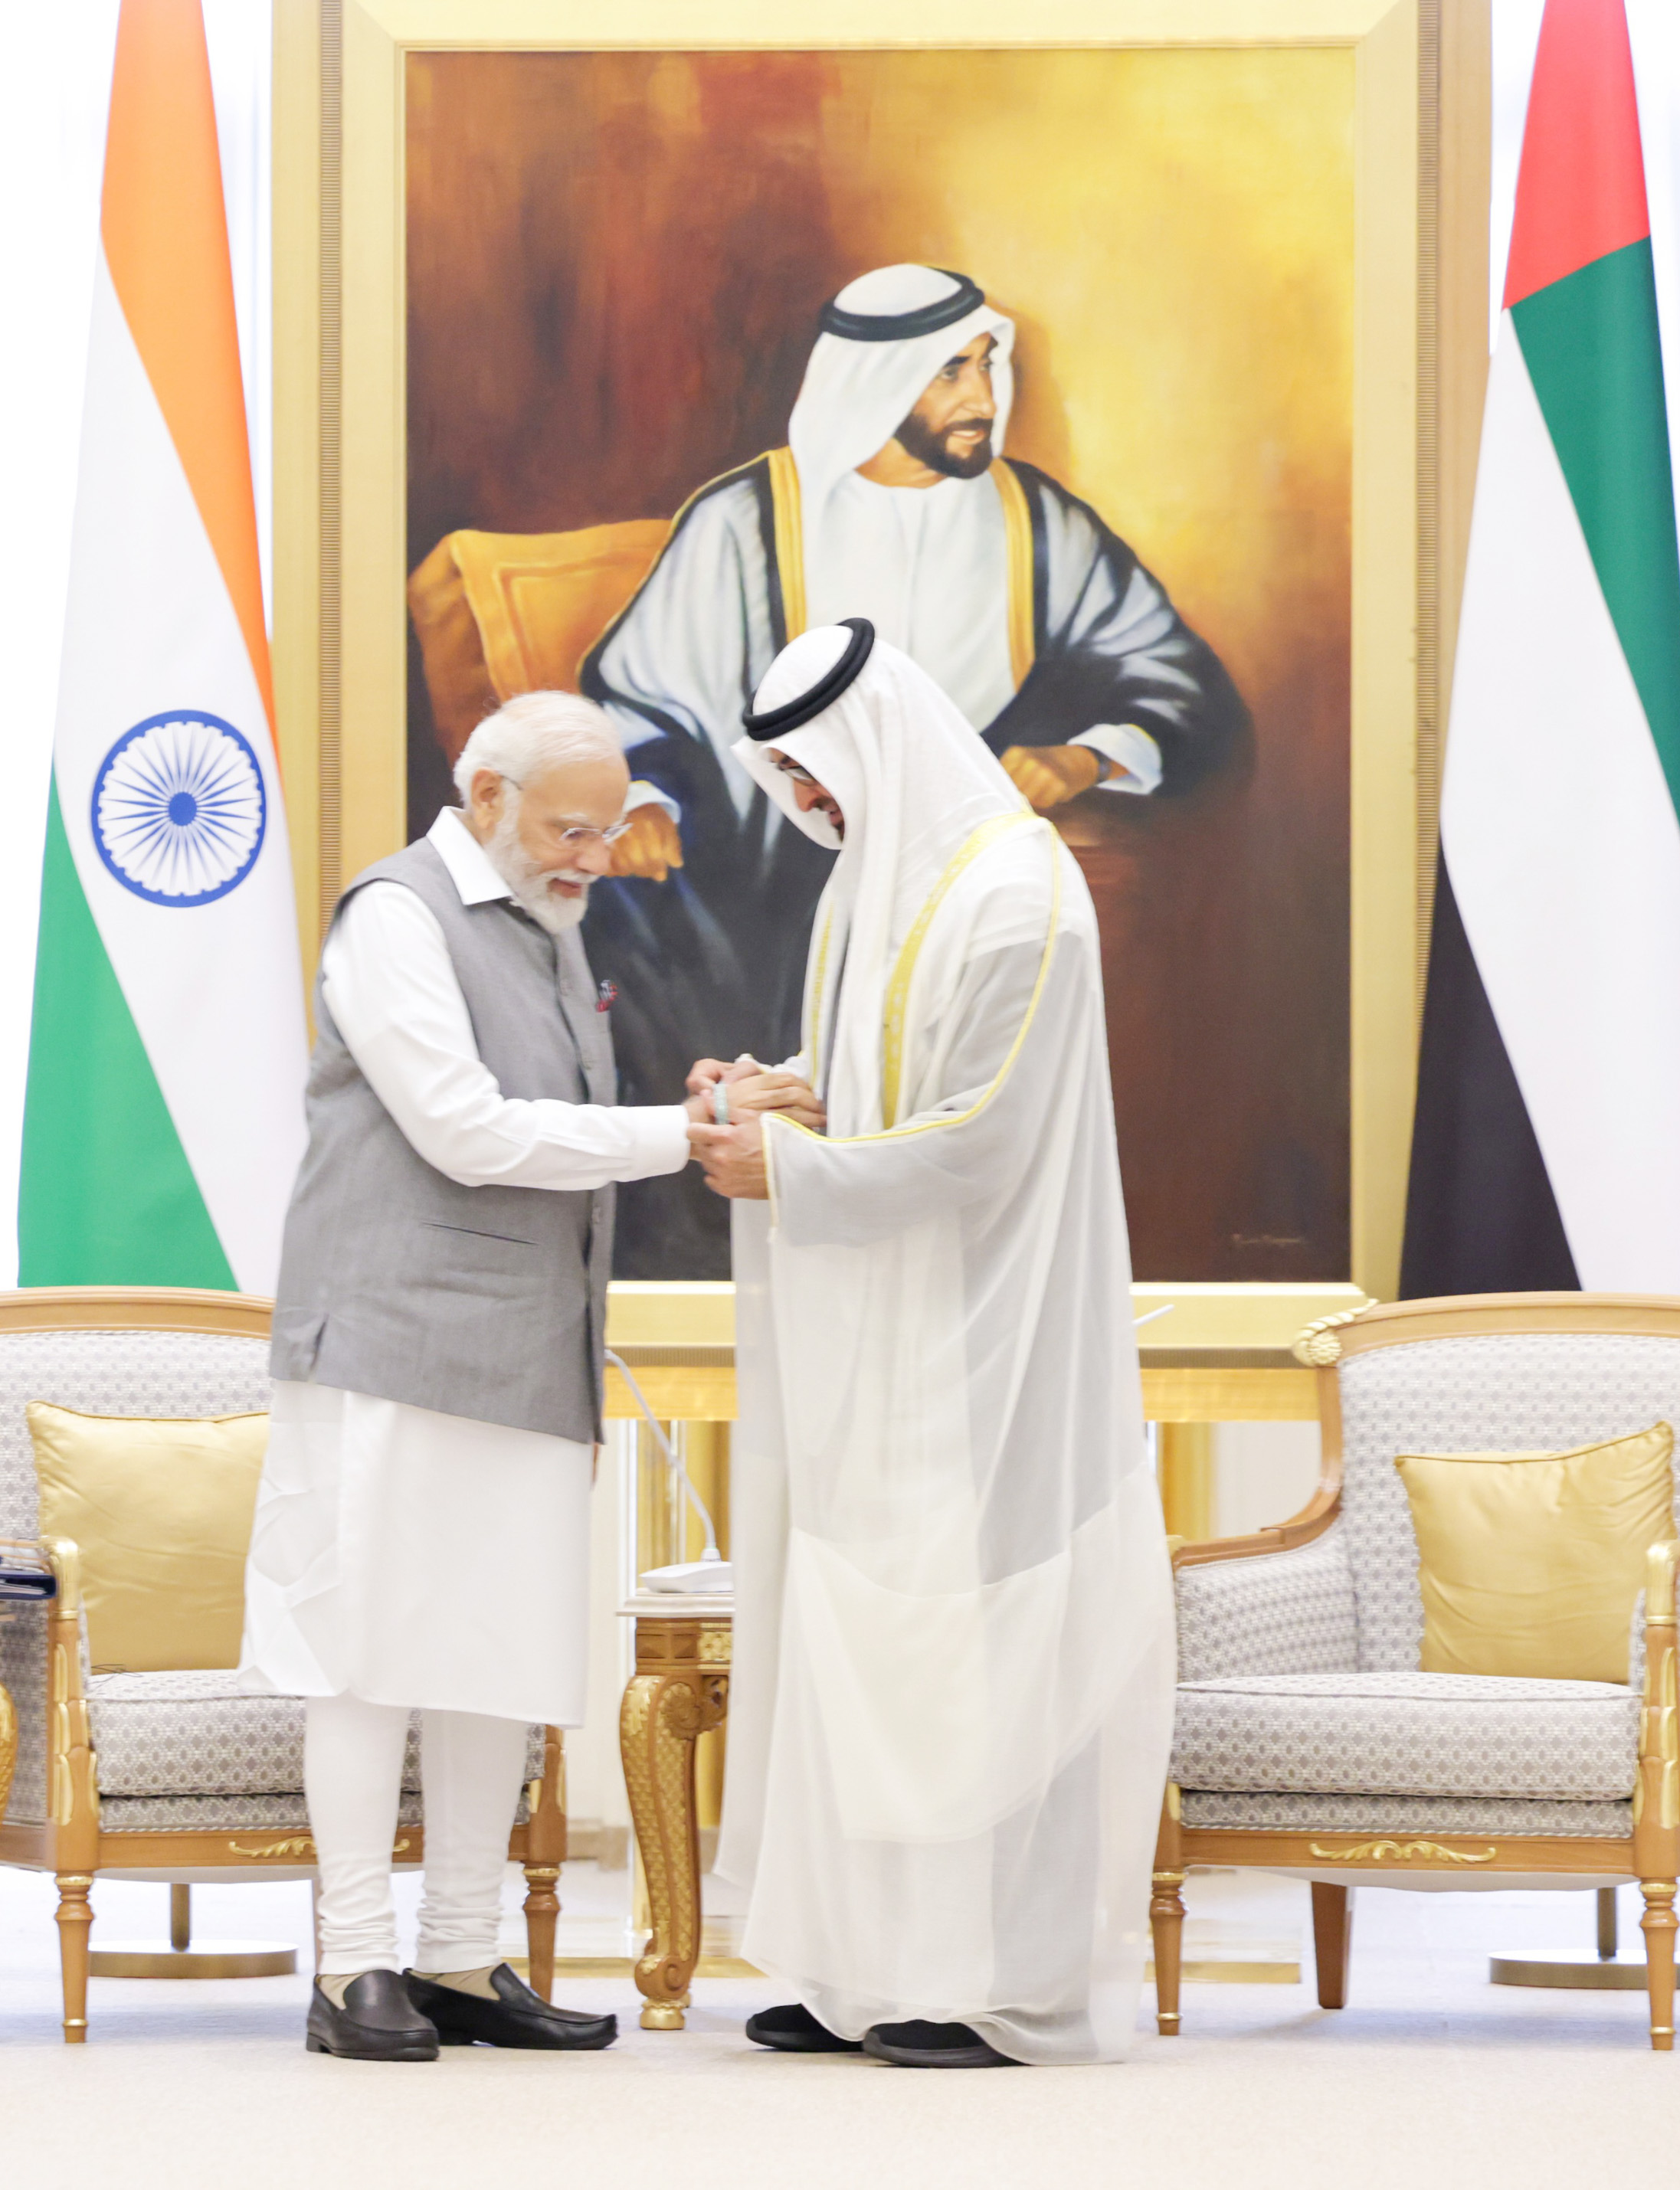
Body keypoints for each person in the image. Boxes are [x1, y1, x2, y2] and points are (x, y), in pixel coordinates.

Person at [238, 690, 815, 2061]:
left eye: (611, 832)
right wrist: (685, 1134)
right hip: (392, 1346)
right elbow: (466, 1130)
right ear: (485, 798)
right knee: (365, 1659)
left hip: (526, 1351)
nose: (597, 859)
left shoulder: (549, 919)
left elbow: (554, 1109)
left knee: (494, 1653)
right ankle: (352, 1966)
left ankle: (456, 1955)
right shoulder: (395, 918)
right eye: (571, 831)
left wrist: (690, 1102)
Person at [687, 620, 1176, 2067]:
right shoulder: (871, 885)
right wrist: (774, 1096)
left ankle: (993, 1986)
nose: (801, 802)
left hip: (993, 1338)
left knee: (984, 1648)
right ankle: (861, 1970)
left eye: (812, 772)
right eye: (783, 778)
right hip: (883, 1338)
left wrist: (790, 1169)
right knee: (866, 1639)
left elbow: (979, 1139)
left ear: (879, 743)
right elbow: (878, 1083)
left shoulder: (1021, 897)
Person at [582, 261, 1249, 1278]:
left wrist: (1086, 755)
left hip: (955, 876)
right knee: (628, 923)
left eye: (985, 364)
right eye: (949, 372)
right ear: (877, 382)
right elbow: (638, 696)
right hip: (757, 874)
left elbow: (1178, 679)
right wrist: (643, 797)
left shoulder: (1036, 524)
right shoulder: (748, 520)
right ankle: (692, 1227)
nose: (982, 397)